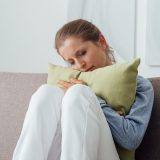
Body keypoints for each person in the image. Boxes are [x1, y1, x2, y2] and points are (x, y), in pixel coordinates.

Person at [12, 19, 154, 160]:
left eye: (82, 53)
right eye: (71, 62)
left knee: (78, 93)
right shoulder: (68, 86)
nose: (80, 65)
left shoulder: (139, 84)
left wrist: (98, 105)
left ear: (102, 42)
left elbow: (131, 139)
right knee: (46, 92)